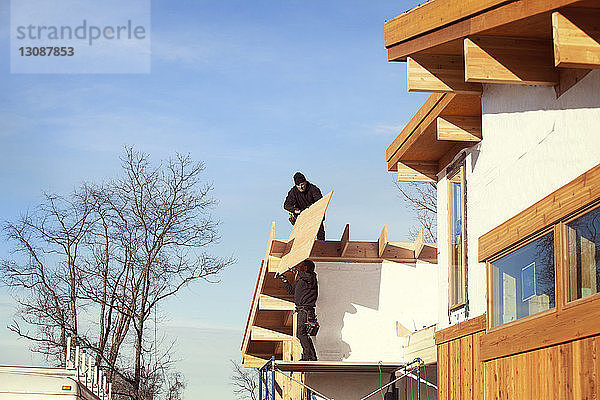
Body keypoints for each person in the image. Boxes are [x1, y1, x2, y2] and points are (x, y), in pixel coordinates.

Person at [276, 260, 318, 361]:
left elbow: (307, 276)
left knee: (301, 333)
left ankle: (308, 356)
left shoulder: (311, 277)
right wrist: (285, 280)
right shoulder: (301, 281)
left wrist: (295, 271)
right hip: (302, 310)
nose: (299, 268)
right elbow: (291, 291)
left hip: (306, 310)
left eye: (301, 266)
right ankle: (311, 356)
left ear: (306, 268)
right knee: (302, 334)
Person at [284, 172, 325, 240]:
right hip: (301, 217)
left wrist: (311, 211)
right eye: (298, 185)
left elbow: (320, 203)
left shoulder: (313, 189)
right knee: (302, 237)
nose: (301, 187)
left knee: (320, 233)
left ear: (305, 182)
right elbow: (286, 205)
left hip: (314, 214)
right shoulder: (293, 192)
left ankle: (322, 247)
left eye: (302, 184)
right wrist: (296, 211)